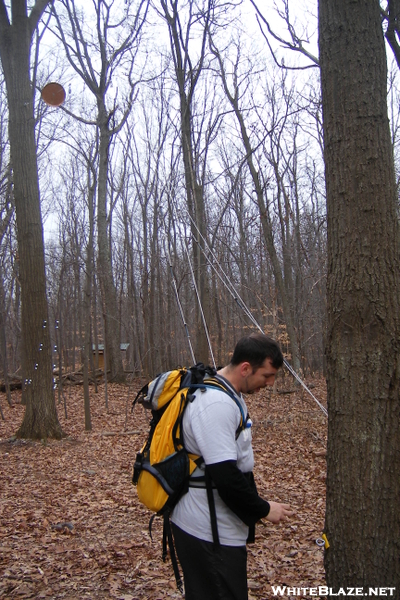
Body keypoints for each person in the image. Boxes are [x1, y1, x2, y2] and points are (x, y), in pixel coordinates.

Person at [171, 333, 294, 600]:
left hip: (218, 527)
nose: (271, 383)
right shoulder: (215, 403)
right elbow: (225, 476)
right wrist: (263, 509)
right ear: (245, 368)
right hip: (207, 530)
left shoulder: (228, 392)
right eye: (267, 375)